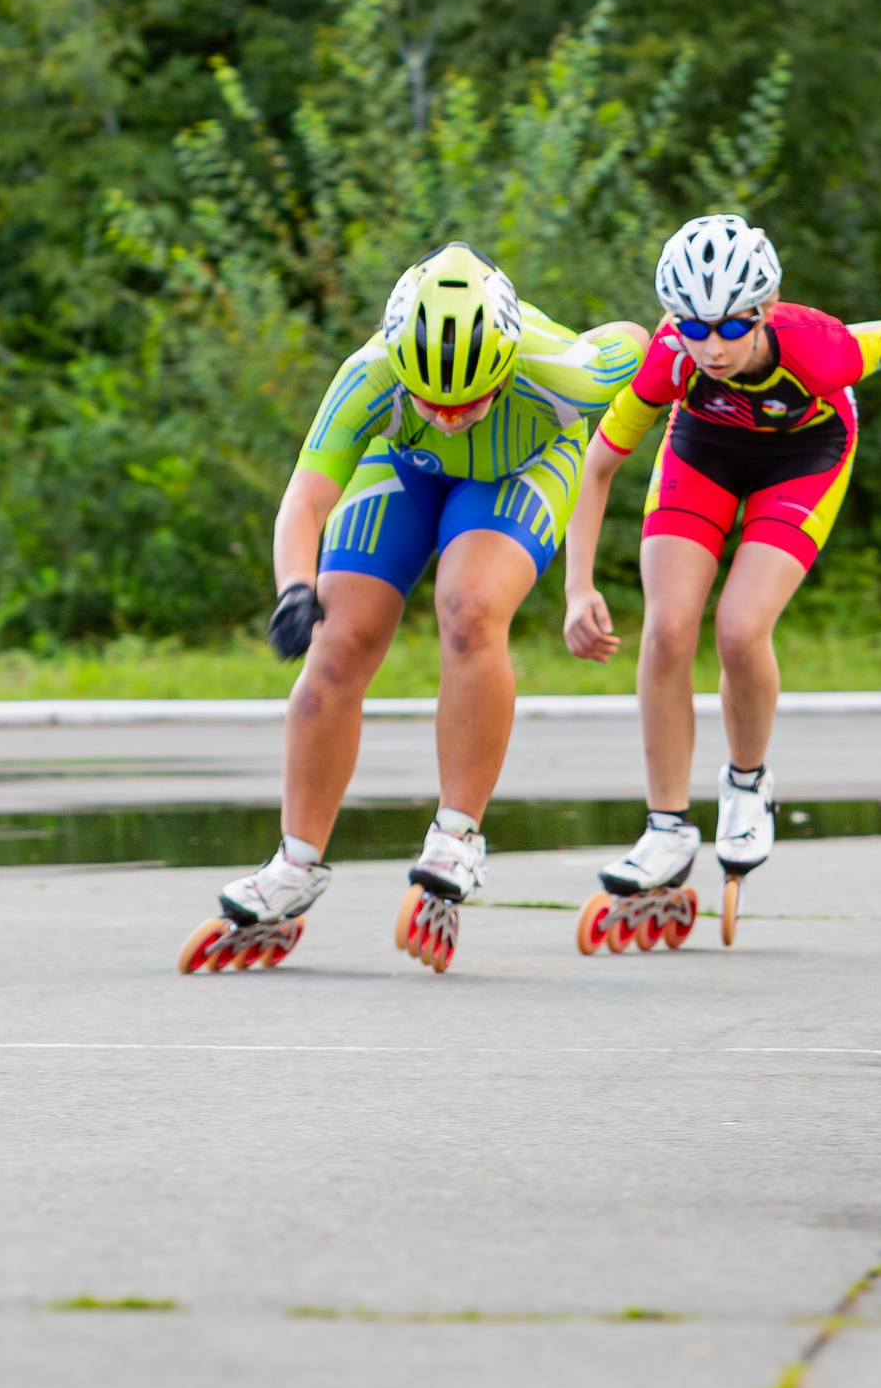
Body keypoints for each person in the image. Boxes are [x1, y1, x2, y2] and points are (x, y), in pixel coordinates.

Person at [181, 242, 644, 973]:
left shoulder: (564, 374)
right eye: (433, 400)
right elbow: (305, 497)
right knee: (338, 639)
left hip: (524, 465)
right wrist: (295, 589)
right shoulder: (370, 374)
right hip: (405, 465)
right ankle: (295, 862)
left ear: (505, 366)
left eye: (469, 400)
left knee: (470, 609)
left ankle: (457, 835)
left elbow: (636, 339)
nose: (452, 416)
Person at [561, 215, 881, 931]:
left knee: (739, 627)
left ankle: (748, 785)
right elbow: (595, 466)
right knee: (667, 628)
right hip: (706, 448)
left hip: (806, 454)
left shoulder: (821, 350)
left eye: (731, 326)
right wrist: (578, 586)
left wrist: (877, 334)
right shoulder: (671, 357)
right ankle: (666, 827)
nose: (713, 346)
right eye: (694, 327)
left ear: (765, 308)